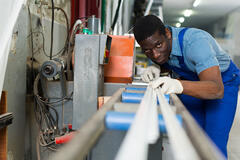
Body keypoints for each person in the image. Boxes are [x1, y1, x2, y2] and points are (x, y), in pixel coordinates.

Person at [133, 15, 240, 158]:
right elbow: (164, 60)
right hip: (191, 81)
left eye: (158, 45)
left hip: (222, 83)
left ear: (168, 33)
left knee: (213, 145)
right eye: (147, 50)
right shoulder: (159, 49)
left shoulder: (195, 42)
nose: (155, 54)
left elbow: (216, 89)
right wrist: (157, 68)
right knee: (191, 134)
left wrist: (178, 84)